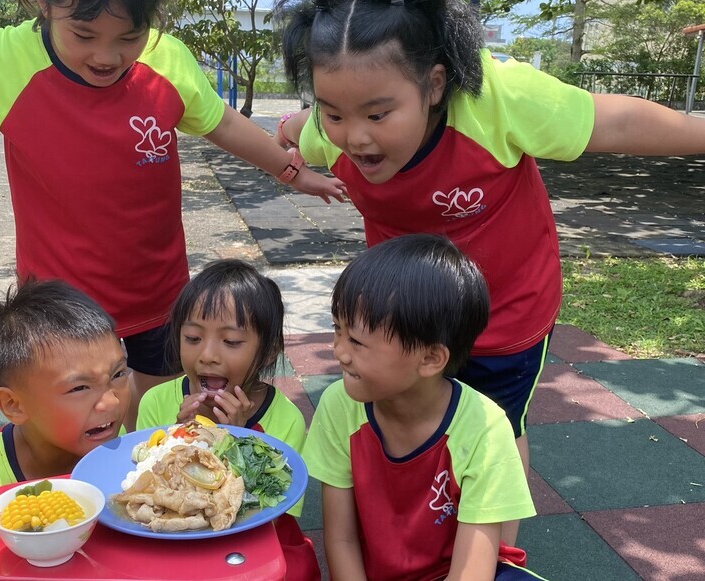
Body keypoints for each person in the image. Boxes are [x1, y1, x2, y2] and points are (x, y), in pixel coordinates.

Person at [273, 0, 705, 544]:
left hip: (507, 305)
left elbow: (615, 120)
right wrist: (291, 129)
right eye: (334, 113)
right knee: (406, 411)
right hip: (408, 313)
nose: (355, 137)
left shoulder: (497, 98)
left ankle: (498, 550)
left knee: (494, 426)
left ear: (434, 85)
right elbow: (303, 128)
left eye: (378, 115)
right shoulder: (327, 133)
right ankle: (420, 528)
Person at [0, 0, 345, 432]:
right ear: (43, 5)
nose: (106, 56)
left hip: (156, 290)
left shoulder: (165, 61)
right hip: (64, 301)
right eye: (84, 35)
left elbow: (223, 123)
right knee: (74, 423)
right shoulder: (3, 63)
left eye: (129, 37)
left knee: (162, 417)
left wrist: (291, 172)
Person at [303, 234, 542, 580]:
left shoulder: (484, 428)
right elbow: (341, 538)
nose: (339, 351)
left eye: (356, 340)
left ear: (430, 358)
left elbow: (471, 571)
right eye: (337, 330)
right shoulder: (339, 406)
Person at [136, 258, 319, 580]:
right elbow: (144, 489)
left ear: (269, 351)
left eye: (231, 342)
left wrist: (237, 437)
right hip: (173, 541)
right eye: (192, 338)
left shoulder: (286, 417)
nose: (207, 354)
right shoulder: (156, 401)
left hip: (256, 546)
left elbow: (271, 512)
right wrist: (175, 440)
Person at [0, 278, 131, 487]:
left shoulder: (107, 436)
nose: (112, 402)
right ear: (12, 405)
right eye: (79, 388)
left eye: (117, 374)